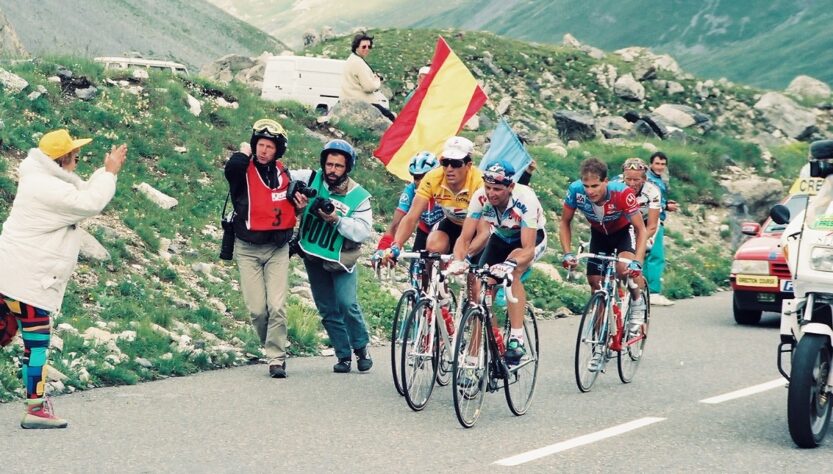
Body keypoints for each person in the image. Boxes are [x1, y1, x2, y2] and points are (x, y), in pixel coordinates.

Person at [0, 129, 127, 429]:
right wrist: (109, 172)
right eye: (75, 158)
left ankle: (36, 406)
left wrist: (104, 172)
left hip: (11, 275)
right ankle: (36, 408)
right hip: (27, 281)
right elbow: (89, 202)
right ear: (62, 160)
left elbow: (81, 194)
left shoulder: (41, 180)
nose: (76, 163)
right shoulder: (50, 189)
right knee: (37, 343)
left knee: (4, 332)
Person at [448, 160, 547, 367]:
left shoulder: (525, 199)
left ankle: (517, 338)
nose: (491, 193)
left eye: (497, 189)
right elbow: (464, 239)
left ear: (510, 187)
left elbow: (527, 247)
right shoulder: (480, 196)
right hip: (500, 237)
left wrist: (510, 264)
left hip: (530, 239)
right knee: (478, 289)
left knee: (513, 272)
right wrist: (459, 260)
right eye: (489, 187)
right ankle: (476, 355)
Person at [224, 119, 300, 379]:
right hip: (247, 248)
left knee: (277, 306)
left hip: (277, 248)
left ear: (277, 150)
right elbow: (232, 166)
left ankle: (276, 358)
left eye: (269, 146)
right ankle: (271, 344)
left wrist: (299, 204)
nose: (263, 150)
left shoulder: (284, 174)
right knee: (258, 310)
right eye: (260, 145)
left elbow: (291, 207)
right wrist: (245, 150)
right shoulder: (242, 170)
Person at [292, 139, 374, 374]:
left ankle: (361, 347)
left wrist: (336, 220)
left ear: (347, 168)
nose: (332, 170)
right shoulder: (309, 178)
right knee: (327, 307)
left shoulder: (359, 196)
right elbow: (283, 175)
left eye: (338, 166)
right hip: (312, 253)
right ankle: (343, 355)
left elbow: (363, 232)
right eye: (329, 164)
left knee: (347, 304)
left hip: (341, 259)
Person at [560, 158, 648, 368]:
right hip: (599, 234)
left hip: (622, 233)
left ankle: (637, 302)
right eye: (586, 186)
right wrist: (567, 253)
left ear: (606, 181)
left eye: (595, 185)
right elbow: (564, 222)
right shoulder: (575, 191)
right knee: (595, 285)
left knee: (623, 269)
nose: (590, 191)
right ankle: (599, 346)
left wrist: (637, 261)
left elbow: (641, 229)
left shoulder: (622, 193)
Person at [387, 136, 483, 265]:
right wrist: (397, 245)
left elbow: (484, 230)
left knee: (475, 278)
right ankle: (437, 282)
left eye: (455, 163)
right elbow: (411, 216)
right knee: (432, 249)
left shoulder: (480, 183)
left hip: (477, 228)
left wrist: (463, 258)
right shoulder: (432, 177)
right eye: (445, 162)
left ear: (468, 165)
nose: (449, 168)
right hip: (452, 223)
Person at [374, 151, 443, 261]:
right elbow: (396, 225)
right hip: (424, 230)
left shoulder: (445, 189)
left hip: (446, 231)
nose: (420, 182)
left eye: (425, 176)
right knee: (416, 268)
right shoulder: (410, 191)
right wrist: (382, 248)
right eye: (416, 177)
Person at [341, 32, 396, 122]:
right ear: (356, 47)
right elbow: (368, 87)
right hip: (364, 102)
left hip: (351, 100)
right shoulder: (359, 63)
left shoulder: (352, 59)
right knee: (391, 118)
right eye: (364, 47)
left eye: (369, 47)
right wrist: (377, 81)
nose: (367, 49)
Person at [645, 152, 678, 300]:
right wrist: (666, 206)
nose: (660, 167)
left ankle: (642, 288)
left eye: (663, 164)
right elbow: (652, 201)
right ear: (651, 164)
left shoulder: (657, 179)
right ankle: (653, 291)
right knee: (656, 256)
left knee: (644, 255)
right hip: (654, 221)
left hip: (646, 219)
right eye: (657, 164)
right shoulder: (651, 180)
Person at [616, 158, 661, 251]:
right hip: (623, 221)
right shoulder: (616, 187)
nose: (631, 184)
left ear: (644, 179)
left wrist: (636, 241)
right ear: (623, 177)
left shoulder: (652, 192)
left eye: (636, 180)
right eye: (628, 179)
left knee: (641, 248)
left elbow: (652, 226)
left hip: (645, 223)